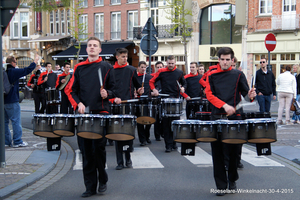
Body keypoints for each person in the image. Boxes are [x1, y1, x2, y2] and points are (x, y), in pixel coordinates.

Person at [65, 36, 117, 198]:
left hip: (100, 114)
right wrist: (78, 104)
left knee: (98, 149)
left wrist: (107, 93)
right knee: (86, 152)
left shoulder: (107, 67)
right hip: (84, 115)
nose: (92, 48)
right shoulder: (79, 68)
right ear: (86, 49)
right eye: (90, 46)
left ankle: (102, 179)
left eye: (95, 45)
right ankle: (89, 186)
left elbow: (115, 91)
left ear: (100, 50)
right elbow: (70, 90)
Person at [205, 47, 256, 196]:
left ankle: (232, 179)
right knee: (218, 153)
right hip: (217, 117)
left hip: (235, 118)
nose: (225, 62)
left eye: (228, 59)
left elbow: (246, 95)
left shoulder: (238, 74)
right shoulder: (211, 76)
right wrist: (224, 105)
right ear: (218, 60)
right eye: (222, 59)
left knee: (234, 153)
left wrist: (251, 95)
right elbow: (209, 94)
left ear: (232, 60)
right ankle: (221, 186)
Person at [111, 48, 144, 170]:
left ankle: (128, 158)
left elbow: (137, 86)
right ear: (117, 57)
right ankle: (119, 161)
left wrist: (140, 90)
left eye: (126, 56)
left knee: (128, 134)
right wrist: (112, 98)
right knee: (117, 134)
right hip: (115, 106)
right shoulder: (111, 71)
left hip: (129, 105)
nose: (125, 58)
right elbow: (109, 89)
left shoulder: (131, 70)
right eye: (123, 56)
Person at [150, 55, 187, 152]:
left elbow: (184, 83)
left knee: (174, 123)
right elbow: (151, 81)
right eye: (169, 63)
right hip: (165, 99)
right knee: (166, 124)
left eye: (172, 63)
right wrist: (154, 90)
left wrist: (183, 88)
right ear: (166, 63)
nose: (171, 65)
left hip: (176, 101)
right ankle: (168, 145)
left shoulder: (179, 72)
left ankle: (174, 143)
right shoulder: (161, 71)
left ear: (175, 63)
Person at [4, 54, 39, 147]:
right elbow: (26, 70)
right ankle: (17, 141)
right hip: (12, 100)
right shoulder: (13, 71)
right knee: (15, 121)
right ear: (12, 63)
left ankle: (6, 142)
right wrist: (35, 62)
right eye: (15, 62)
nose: (16, 64)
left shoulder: (3, 71)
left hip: (3, 101)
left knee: (4, 123)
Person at [136, 61, 152, 146]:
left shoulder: (149, 77)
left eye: (144, 67)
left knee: (149, 120)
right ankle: (142, 139)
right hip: (138, 101)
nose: (143, 69)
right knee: (140, 121)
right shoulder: (135, 77)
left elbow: (153, 87)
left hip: (148, 101)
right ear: (138, 68)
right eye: (141, 67)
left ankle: (147, 135)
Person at [151, 61, 164, 141]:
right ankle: (157, 135)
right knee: (156, 118)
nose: (159, 68)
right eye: (158, 67)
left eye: (160, 67)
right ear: (155, 68)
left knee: (164, 118)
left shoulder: (165, 76)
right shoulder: (152, 77)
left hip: (164, 99)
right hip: (156, 100)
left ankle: (162, 133)